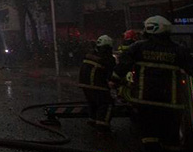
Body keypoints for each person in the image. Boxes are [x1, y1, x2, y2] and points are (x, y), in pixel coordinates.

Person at [110, 15, 193, 152]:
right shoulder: (179, 50)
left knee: (149, 137)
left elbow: (123, 65)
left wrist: (114, 80)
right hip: (171, 104)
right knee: (171, 140)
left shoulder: (138, 47)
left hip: (146, 101)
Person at [78, 34, 116, 129]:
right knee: (106, 103)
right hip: (98, 84)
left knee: (92, 102)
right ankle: (102, 126)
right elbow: (111, 73)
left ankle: (92, 120)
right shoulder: (108, 57)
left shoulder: (91, 54)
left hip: (84, 83)